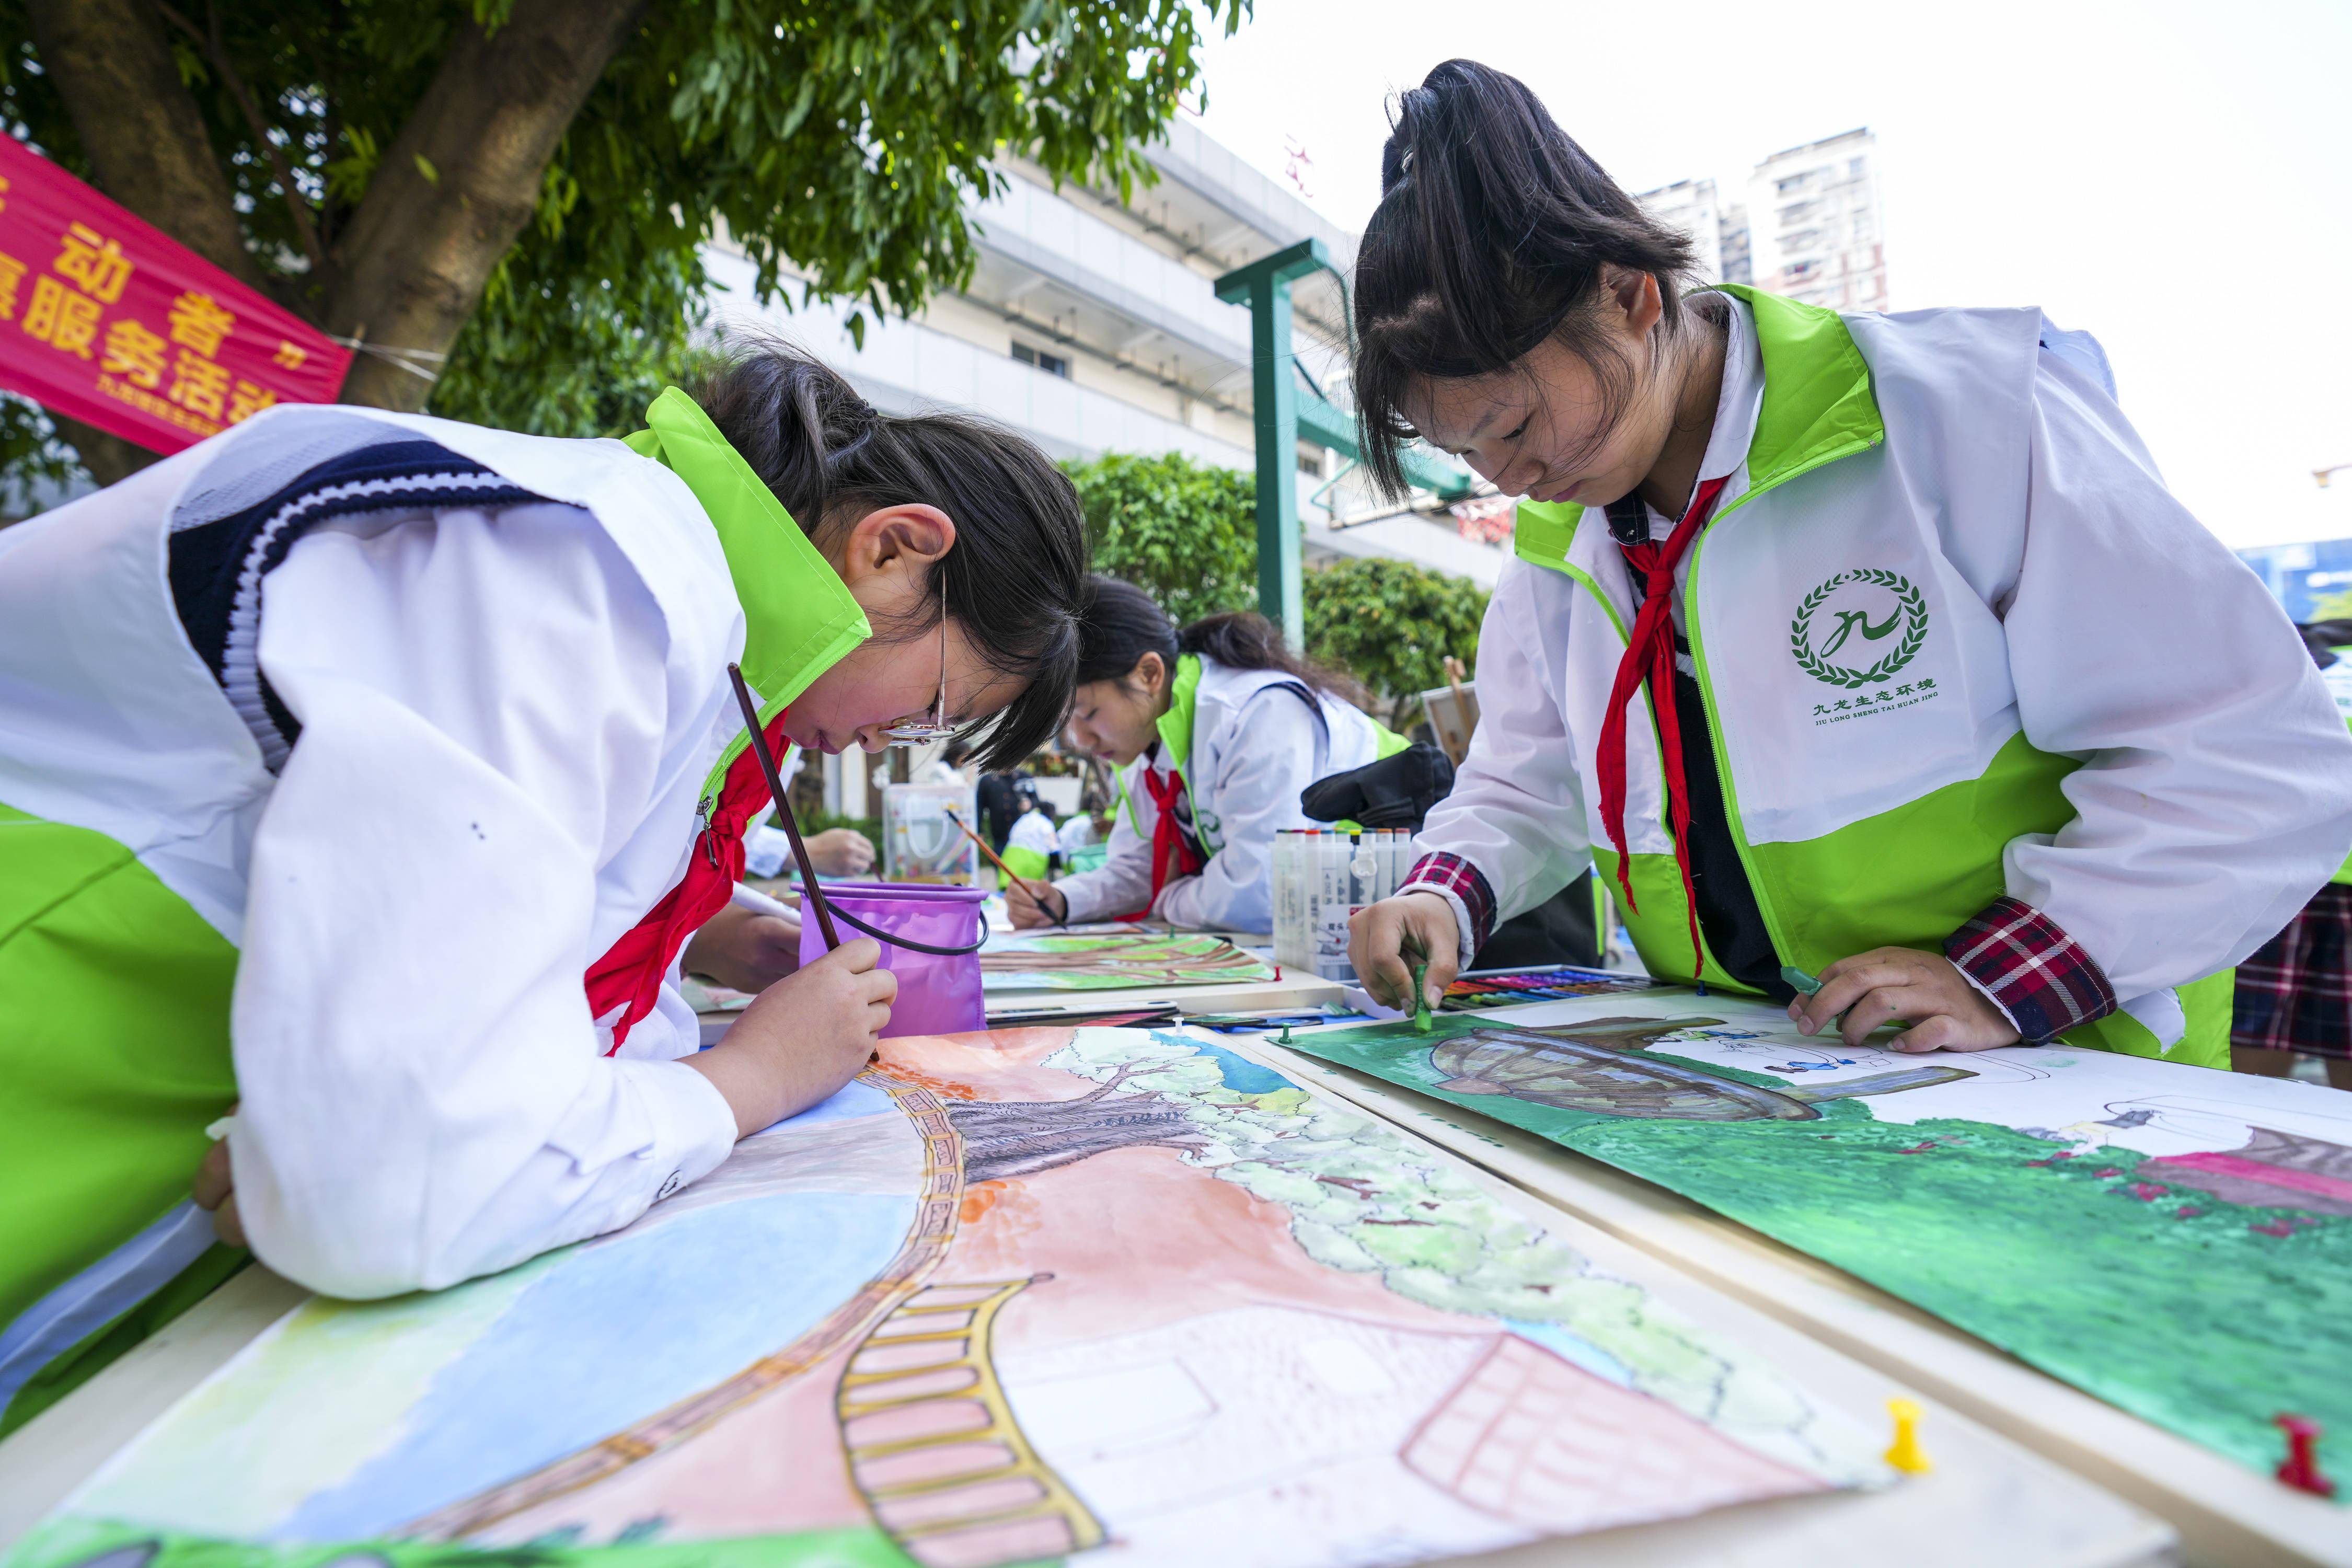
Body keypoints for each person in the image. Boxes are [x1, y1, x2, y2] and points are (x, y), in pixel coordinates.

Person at [0, 342, 1087, 1430]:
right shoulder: (593, 577)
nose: (896, 739)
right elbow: (395, 1185)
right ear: (896, 549)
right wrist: (752, 1076)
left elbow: (482, 1043)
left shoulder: (686, 623)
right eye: (935, 706)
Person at [1343, 60, 2352, 1066]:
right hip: (1776, 1074)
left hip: (2062, 1068)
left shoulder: (1958, 417)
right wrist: (1443, 893)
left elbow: (2252, 752)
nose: (1509, 481)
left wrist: (2004, 975)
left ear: (1630, 296)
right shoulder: (1560, 544)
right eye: (1468, 455)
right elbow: (1526, 783)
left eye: (1515, 426)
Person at [1008, 575, 1404, 933]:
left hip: (1399, 911)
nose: (1081, 739)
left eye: (1089, 713)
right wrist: (1063, 900)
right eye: (1068, 719)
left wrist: (1171, 899)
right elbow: (1141, 868)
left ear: (1149, 674)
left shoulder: (1257, 712)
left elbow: (1261, 892)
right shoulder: (1146, 743)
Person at [2232, 619, 2352, 1089]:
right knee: (2251, 1030)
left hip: (2279, 867)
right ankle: (2241, 1145)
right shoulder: (2291, 640)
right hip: (2277, 870)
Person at [1000, 779, 1062, 883]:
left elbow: (1012, 835)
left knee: (1008, 893)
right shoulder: (1046, 823)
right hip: (1031, 862)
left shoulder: (1025, 818)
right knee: (1028, 894)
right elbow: (1053, 846)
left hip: (1009, 859)